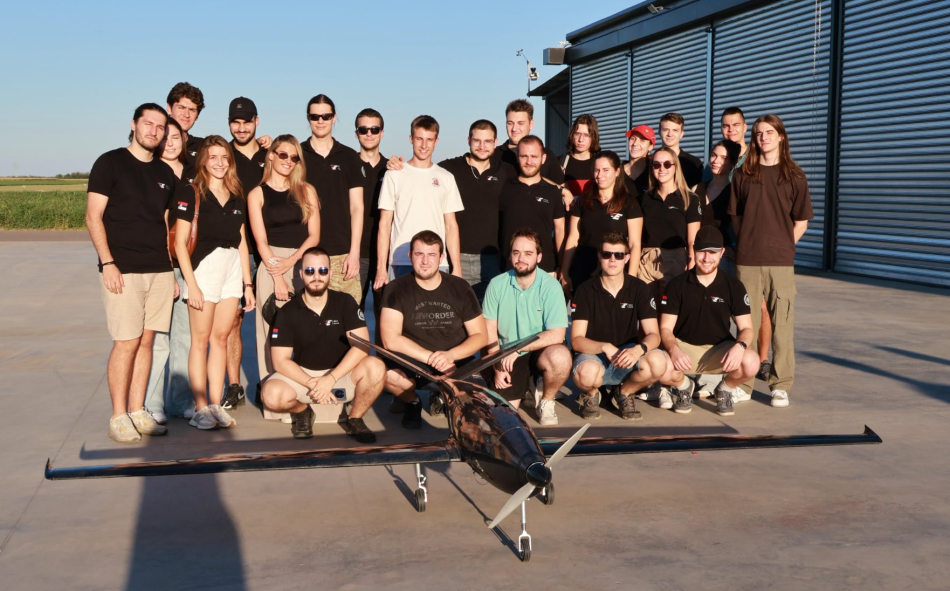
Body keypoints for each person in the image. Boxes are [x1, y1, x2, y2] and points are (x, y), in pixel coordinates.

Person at [86, 103, 176, 442]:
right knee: (126, 342)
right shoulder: (109, 162)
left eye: (160, 126)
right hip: (122, 269)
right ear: (134, 124)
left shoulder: (165, 174)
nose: (154, 130)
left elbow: (163, 224)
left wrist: (169, 270)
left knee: (147, 341)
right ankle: (118, 416)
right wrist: (108, 263)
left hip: (159, 270)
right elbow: (93, 216)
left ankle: (138, 410)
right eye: (148, 123)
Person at [729, 114, 814, 408]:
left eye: (769, 132)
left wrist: (784, 246)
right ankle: (744, 383)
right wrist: (748, 243)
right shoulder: (743, 174)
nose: (763, 137)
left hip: (781, 262)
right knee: (746, 326)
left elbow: (801, 221)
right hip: (748, 261)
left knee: (783, 326)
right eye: (758, 133)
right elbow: (736, 217)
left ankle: (780, 386)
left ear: (781, 137)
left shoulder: (795, 176)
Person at [173, 136, 255, 430]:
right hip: (203, 270)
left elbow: (242, 241)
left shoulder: (236, 194)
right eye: (213, 157)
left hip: (231, 269)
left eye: (224, 157)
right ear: (203, 161)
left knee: (221, 338)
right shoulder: (191, 192)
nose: (219, 163)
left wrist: (247, 284)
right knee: (201, 340)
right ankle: (200, 408)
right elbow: (180, 243)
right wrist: (192, 284)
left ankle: (216, 404)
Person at [262, 247, 385, 442]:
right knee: (271, 395)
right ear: (301, 274)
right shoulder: (287, 312)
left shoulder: (345, 302)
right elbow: (280, 361)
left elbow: (362, 346)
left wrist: (330, 379)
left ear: (330, 273)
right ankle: (302, 411)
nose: (316, 277)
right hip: (305, 379)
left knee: (376, 367)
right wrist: (313, 383)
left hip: (341, 375)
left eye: (322, 270)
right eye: (310, 271)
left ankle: (355, 418)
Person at [380, 231, 486, 429]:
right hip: (414, 363)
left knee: (477, 414)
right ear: (410, 256)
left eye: (431, 255)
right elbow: (390, 339)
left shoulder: (460, 287)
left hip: (455, 362)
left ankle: (442, 396)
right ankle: (412, 401)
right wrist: (433, 359)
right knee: (387, 375)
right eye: (419, 254)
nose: (425, 261)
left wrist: (450, 356)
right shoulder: (396, 288)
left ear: (441, 257)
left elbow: (480, 336)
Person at [658, 226, 760, 416]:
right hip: (684, 348)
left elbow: (747, 328)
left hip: (719, 350)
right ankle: (684, 387)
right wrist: (674, 349)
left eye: (712, 252)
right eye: (702, 251)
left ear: (722, 252)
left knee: (752, 362)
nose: (706, 258)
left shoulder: (734, 286)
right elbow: (665, 328)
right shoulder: (676, 285)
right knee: (658, 367)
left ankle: (725, 390)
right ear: (693, 251)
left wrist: (740, 346)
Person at [247, 135, 321, 390]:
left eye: (294, 157)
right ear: (271, 155)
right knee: (271, 332)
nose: (288, 160)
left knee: (306, 330)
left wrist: (292, 261)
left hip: (302, 264)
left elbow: (314, 235)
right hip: (271, 265)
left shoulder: (306, 190)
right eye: (283, 154)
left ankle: (305, 390)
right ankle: (273, 393)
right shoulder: (257, 194)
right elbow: (260, 241)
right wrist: (278, 276)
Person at [570, 233, 669, 420]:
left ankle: (624, 393)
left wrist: (638, 350)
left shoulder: (640, 288)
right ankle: (592, 395)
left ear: (627, 258)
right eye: (607, 254)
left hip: (627, 354)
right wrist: (604, 346)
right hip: (595, 355)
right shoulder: (585, 290)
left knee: (658, 362)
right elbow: (576, 340)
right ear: (599, 257)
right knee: (586, 374)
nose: (612, 259)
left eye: (619, 255)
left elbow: (654, 335)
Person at [483, 230, 572, 426]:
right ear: (510, 255)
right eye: (516, 253)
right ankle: (528, 386)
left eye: (528, 253)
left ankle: (547, 400)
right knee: (501, 418)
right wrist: (497, 366)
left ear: (539, 257)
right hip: (508, 354)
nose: (521, 258)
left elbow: (557, 334)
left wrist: (519, 349)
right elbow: (489, 331)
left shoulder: (551, 286)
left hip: (541, 349)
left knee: (561, 357)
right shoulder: (496, 284)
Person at [374, 115, 464, 291]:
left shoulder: (446, 177)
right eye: (419, 139)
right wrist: (381, 268)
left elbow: (451, 226)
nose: (424, 145)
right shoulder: (394, 174)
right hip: (400, 261)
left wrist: (457, 267)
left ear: (436, 141)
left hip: (437, 263)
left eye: (429, 140)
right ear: (411, 139)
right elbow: (384, 224)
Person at [143, 118, 192, 424]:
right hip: (160, 265)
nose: (171, 142)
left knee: (184, 337)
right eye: (166, 137)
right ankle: (153, 402)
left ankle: (182, 400)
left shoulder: (193, 174)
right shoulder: (149, 173)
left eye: (177, 137)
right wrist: (165, 266)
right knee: (158, 337)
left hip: (189, 265)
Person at [223, 96, 268, 409]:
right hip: (234, 250)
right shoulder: (222, 156)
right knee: (233, 321)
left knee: (272, 321)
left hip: (269, 250)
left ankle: (270, 381)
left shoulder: (272, 154)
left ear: (256, 122)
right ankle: (234, 385)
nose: (241, 128)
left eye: (247, 122)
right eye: (235, 122)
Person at [438, 120, 512, 300]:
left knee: (489, 312)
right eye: (477, 140)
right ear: (468, 140)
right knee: (456, 309)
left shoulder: (505, 171)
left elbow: (533, 177)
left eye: (488, 141)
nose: (482, 146)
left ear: (495, 142)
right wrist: (396, 165)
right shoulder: (449, 169)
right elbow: (422, 171)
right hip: (456, 256)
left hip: (491, 259)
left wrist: (561, 189)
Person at [301, 94, 364, 304]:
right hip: (305, 253)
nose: (320, 121)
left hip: (342, 254)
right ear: (308, 118)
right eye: (315, 116)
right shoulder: (297, 155)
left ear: (334, 117)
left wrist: (354, 253)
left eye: (326, 116)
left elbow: (357, 207)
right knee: (307, 319)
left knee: (348, 317)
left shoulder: (349, 156)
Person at [560, 150, 643, 293]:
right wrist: (564, 272)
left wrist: (631, 279)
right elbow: (573, 239)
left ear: (617, 172)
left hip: (615, 274)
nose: (600, 175)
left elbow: (634, 244)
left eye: (606, 170)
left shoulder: (630, 203)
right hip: (583, 272)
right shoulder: (583, 201)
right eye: (597, 170)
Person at [637, 146, 702, 301]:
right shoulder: (644, 199)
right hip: (646, 261)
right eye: (656, 165)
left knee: (671, 310)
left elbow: (693, 241)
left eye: (667, 164)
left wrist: (692, 270)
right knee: (647, 312)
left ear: (675, 167)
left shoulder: (689, 199)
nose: (662, 169)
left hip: (677, 260)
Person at [497, 136, 566, 277]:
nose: (529, 162)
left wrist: (561, 265)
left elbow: (560, 230)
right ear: (517, 157)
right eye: (524, 156)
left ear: (543, 158)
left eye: (534, 156)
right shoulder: (504, 188)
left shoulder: (553, 192)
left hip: (545, 270)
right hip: (508, 270)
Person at [354, 108, 387, 306]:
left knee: (385, 315)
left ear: (382, 133)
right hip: (355, 255)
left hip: (385, 256)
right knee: (351, 314)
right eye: (363, 129)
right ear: (356, 133)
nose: (369, 134)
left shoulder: (392, 169)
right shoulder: (348, 166)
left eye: (374, 129)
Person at [494, 99, 564, 187]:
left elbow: (561, 189)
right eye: (510, 123)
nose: (514, 128)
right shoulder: (494, 156)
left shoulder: (547, 156)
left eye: (520, 123)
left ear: (531, 124)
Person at [559, 114, 599, 204]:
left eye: (586, 135)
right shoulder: (560, 163)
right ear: (572, 135)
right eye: (577, 134)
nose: (581, 139)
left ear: (593, 137)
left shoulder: (600, 163)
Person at [658, 113, 703, 189]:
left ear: (681, 134)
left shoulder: (693, 163)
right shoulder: (651, 162)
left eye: (675, 130)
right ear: (659, 132)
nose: (670, 134)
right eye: (665, 130)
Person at [166, 82, 205, 167]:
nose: (186, 115)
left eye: (192, 110)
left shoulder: (203, 147)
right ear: (169, 109)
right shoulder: (156, 144)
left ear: (197, 116)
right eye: (181, 108)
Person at [623, 125, 655, 196]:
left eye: (642, 140)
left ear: (650, 146)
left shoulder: (653, 173)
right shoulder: (617, 171)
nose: (635, 143)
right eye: (633, 138)